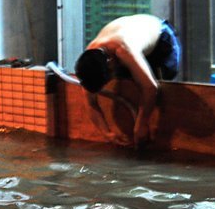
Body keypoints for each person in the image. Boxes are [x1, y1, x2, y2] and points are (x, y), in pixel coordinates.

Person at [74, 14, 180, 148]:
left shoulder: (123, 49)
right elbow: (90, 103)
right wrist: (107, 133)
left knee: (163, 86)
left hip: (161, 37)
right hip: (131, 40)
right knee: (131, 84)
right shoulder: (90, 60)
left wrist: (141, 123)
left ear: (110, 64)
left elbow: (151, 88)